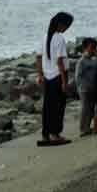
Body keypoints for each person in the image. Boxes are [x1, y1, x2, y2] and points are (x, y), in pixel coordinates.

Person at [35, 11, 73, 145]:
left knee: (48, 106)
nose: (67, 28)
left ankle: (46, 134)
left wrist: (39, 74)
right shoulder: (59, 38)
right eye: (67, 25)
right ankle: (55, 133)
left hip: (47, 76)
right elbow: (60, 62)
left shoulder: (45, 37)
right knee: (58, 107)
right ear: (61, 25)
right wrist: (64, 82)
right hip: (57, 76)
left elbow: (38, 57)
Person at [74, 38, 97, 136]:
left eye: (94, 47)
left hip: (93, 87)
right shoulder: (81, 61)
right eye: (91, 47)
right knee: (85, 108)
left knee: (91, 108)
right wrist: (81, 87)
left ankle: (88, 127)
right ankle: (83, 128)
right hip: (84, 89)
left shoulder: (95, 60)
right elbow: (77, 77)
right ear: (85, 48)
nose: (93, 49)